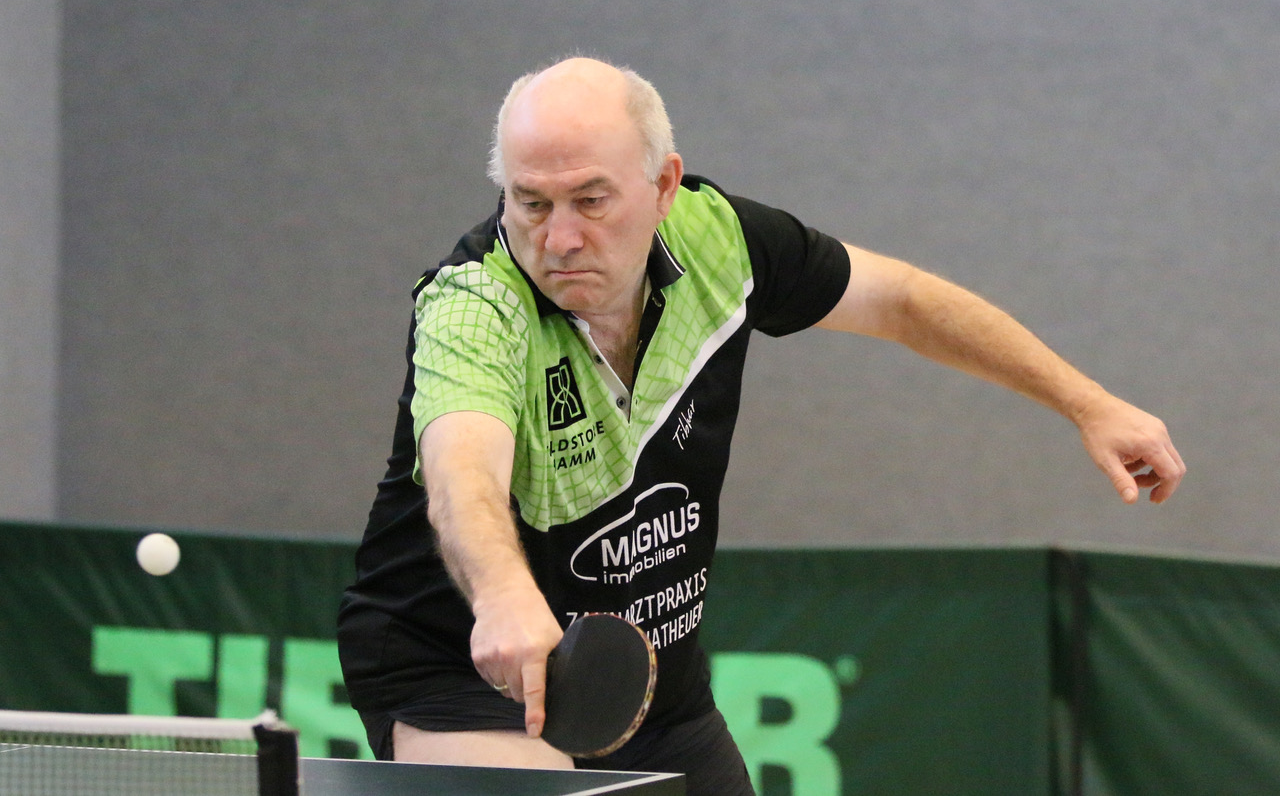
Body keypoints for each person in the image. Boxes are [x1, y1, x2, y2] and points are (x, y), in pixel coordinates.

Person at [337, 57, 1185, 795]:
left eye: (591, 200)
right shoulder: (473, 305)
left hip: (647, 675)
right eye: (531, 203)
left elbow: (900, 300)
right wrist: (502, 594)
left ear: (663, 185)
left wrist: (1088, 403)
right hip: (466, 665)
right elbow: (462, 472)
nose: (559, 237)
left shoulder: (722, 244)